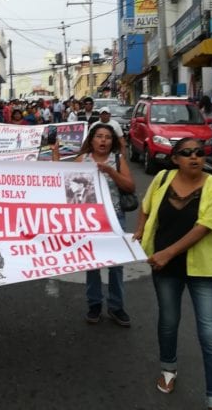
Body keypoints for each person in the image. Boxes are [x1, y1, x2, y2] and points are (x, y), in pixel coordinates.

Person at [132, 138, 212, 410]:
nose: (194, 157)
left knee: (210, 333)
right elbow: (146, 206)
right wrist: (140, 230)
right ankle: (168, 369)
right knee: (168, 320)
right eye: (186, 153)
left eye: (199, 152)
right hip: (165, 268)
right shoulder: (162, 178)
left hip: (204, 269)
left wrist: (168, 253)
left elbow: (205, 226)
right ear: (175, 159)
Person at [54, 123, 135, 327]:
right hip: (90, 221)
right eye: (99, 136)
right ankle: (94, 305)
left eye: (107, 137)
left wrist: (110, 171)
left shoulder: (117, 159)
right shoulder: (83, 159)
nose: (103, 140)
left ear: (112, 141)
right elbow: (64, 180)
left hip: (115, 219)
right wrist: (55, 155)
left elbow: (130, 186)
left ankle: (116, 307)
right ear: (91, 140)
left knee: (116, 265)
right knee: (92, 264)